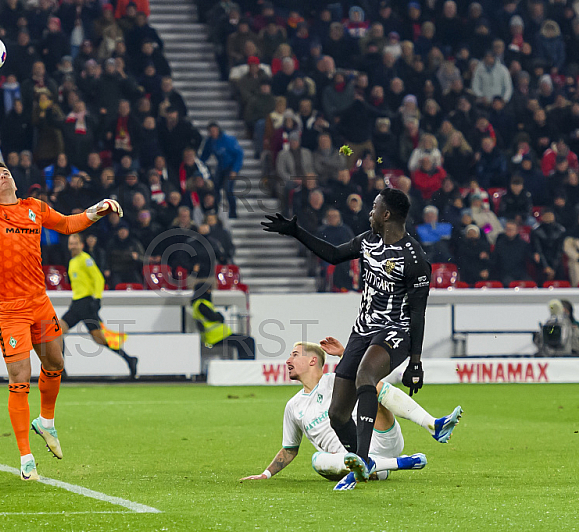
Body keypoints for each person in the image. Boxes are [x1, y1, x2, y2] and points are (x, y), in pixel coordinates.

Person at [0, 95, 122, 481]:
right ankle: (25, 457)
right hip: (9, 309)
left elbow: (69, 224)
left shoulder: (33, 207)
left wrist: (98, 208)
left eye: (4, 172)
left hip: (39, 302)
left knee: (55, 364)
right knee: (19, 378)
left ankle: (46, 421)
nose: (1, 175)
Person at [262, 188, 431, 486]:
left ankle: (362, 463)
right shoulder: (367, 241)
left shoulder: (414, 258)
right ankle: (360, 461)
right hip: (362, 331)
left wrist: (415, 363)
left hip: (395, 331)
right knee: (337, 413)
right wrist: (296, 231)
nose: (370, 211)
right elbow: (333, 254)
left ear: (387, 214)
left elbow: (417, 314)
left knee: (366, 375)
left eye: (375, 206)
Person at [240, 340, 461, 490]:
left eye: (294, 355)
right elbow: (290, 449)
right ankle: (387, 465)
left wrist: (345, 354)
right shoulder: (293, 406)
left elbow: (367, 369)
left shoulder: (337, 380)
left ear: (312, 360)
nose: (287, 361)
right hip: (348, 460)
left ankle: (432, 424)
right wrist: (265, 474)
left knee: (371, 384)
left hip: (379, 438)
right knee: (317, 460)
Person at [59, 233, 138, 379]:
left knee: (99, 339)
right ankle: (61, 370)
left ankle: (129, 359)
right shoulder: (72, 261)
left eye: (75, 243)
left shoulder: (85, 259)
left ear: (82, 245)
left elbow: (98, 278)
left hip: (86, 304)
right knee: (57, 332)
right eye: (71, 243)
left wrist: (97, 299)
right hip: (77, 304)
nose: (72, 246)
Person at [191, 283, 255, 360]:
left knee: (245, 341)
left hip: (218, 335)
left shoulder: (200, 303)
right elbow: (214, 317)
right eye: (208, 290)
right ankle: (246, 364)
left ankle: (244, 363)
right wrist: (219, 315)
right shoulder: (201, 304)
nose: (210, 292)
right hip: (215, 336)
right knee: (247, 341)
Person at [199, 122, 243, 219]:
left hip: (230, 166)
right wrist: (198, 163)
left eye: (214, 130)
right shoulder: (210, 142)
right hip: (221, 166)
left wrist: (235, 170)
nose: (213, 133)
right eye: (211, 131)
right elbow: (205, 155)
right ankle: (216, 210)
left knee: (228, 189)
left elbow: (239, 154)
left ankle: (233, 212)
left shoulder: (228, 140)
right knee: (215, 188)